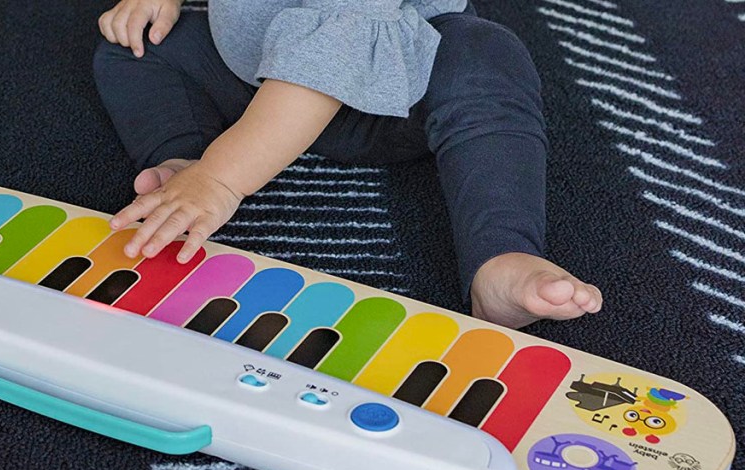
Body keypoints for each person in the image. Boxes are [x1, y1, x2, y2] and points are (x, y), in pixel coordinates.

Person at [92, 0, 602, 328]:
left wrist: (222, 179)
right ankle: (185, 158)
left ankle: (500, 256)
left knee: (485, 59)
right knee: (136, 42)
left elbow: (331, 58)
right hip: (257, 74)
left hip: (395, 93)